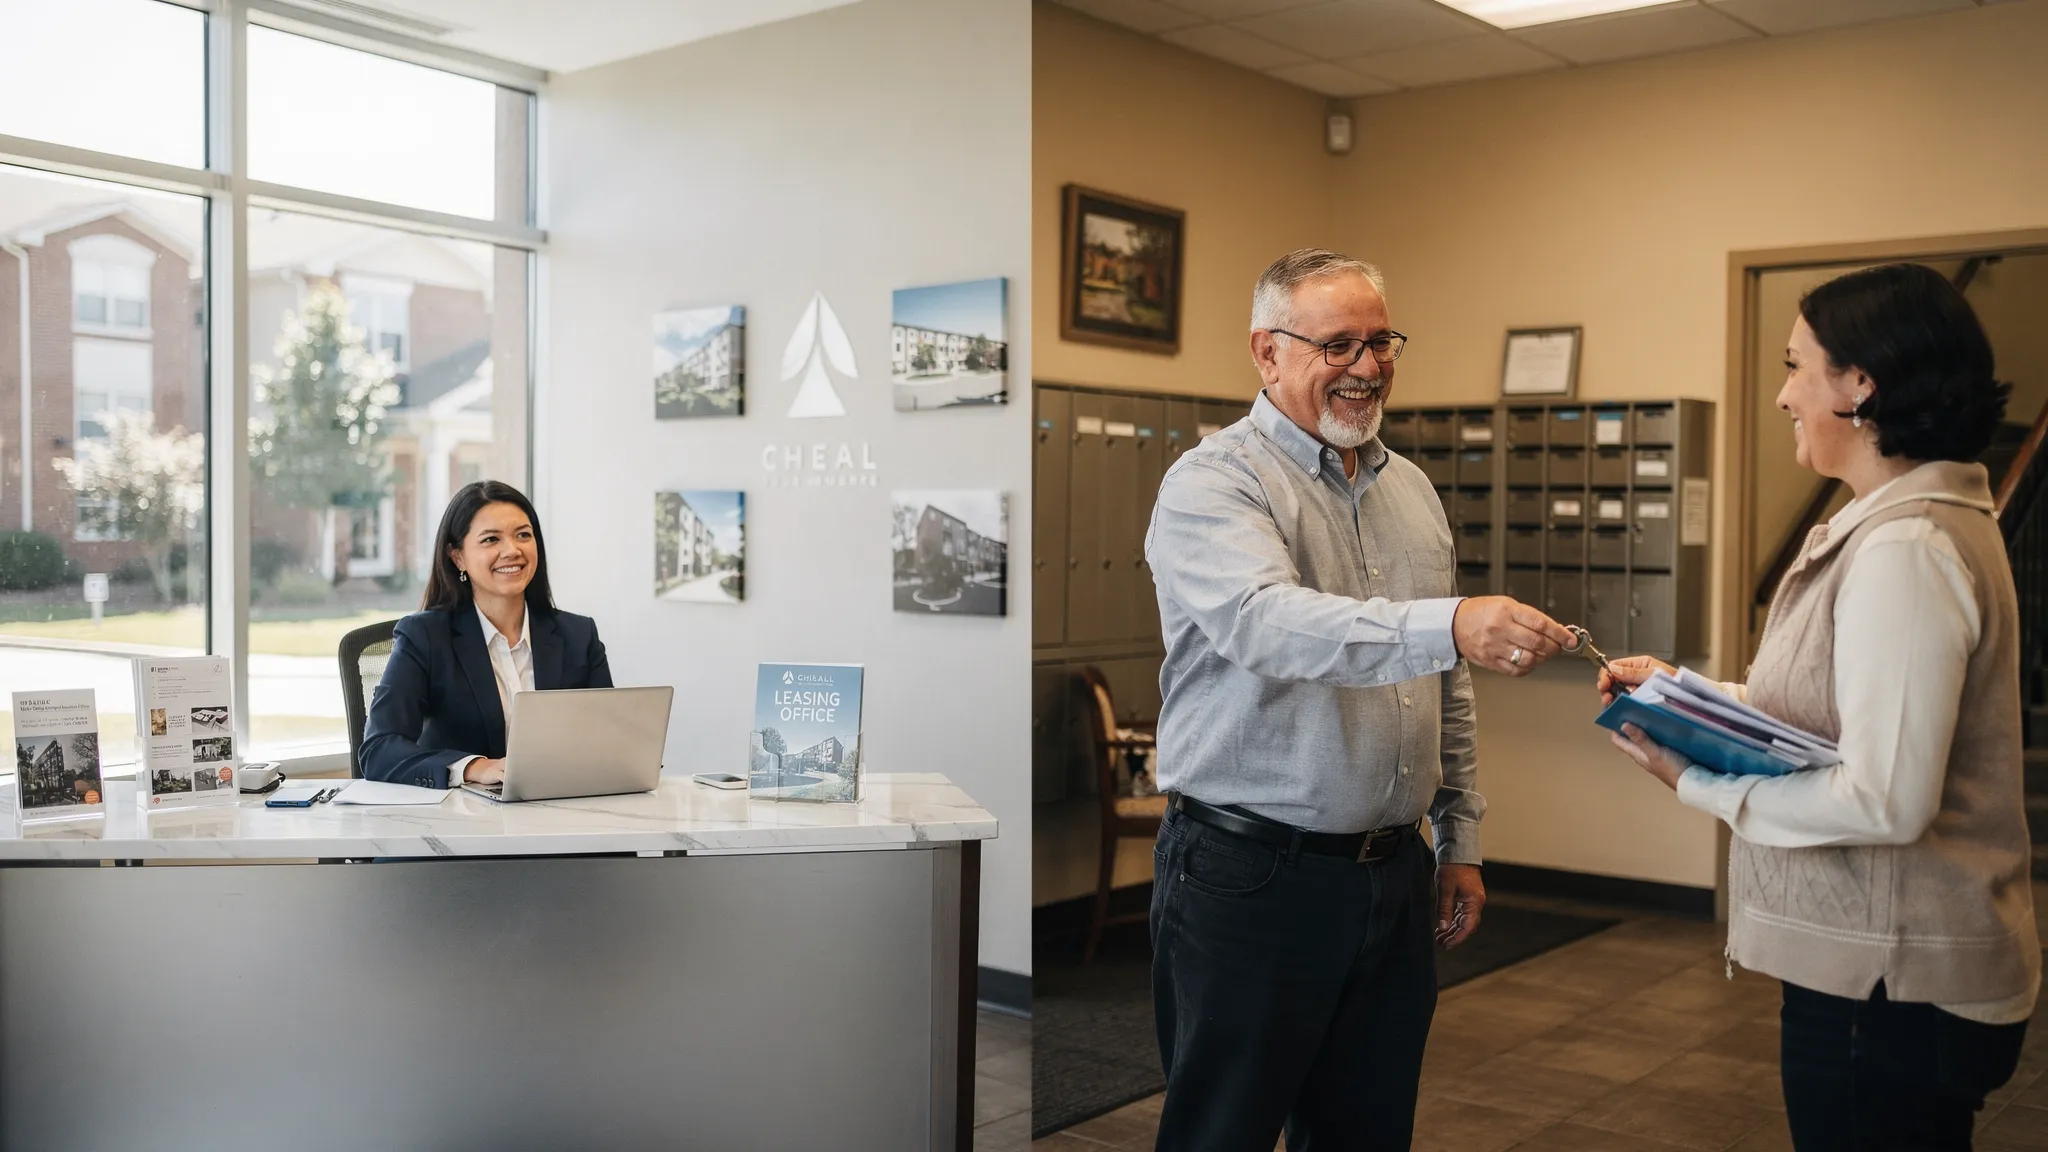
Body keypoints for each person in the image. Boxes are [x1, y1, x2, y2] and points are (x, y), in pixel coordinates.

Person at [1144, 247, 1575, 1151]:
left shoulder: (1410, 489)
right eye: (1339, 345)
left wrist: (1460, 837)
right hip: (1250, 874)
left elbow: (1441, 684)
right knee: (1221, 1132)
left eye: (1382, 343)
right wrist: (1451, 622)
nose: (1368, 368)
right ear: (1267, 352)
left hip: (1391, 874)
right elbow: (1271, 624)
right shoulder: (1213, 483)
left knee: (1366, 1132)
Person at [1599, 263, 2036, 1151]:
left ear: (1860, 385)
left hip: (1895, 988)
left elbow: (1885, 799)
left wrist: (1700, 787)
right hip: (1888, 982)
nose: (1782, 395)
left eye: (1798, 366)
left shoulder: (1907, 547)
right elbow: (1842, 709)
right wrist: (1687, 694)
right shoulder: (1904, 527)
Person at [361, 480, 612, 788]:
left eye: (523, 535)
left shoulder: (578, 635)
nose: (512, 550)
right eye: (491, 539)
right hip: (462, 822)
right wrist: (475, 768)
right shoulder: (425, 636)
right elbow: (379, 750)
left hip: (559, 810)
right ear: (458, 557)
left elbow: (608, 742)